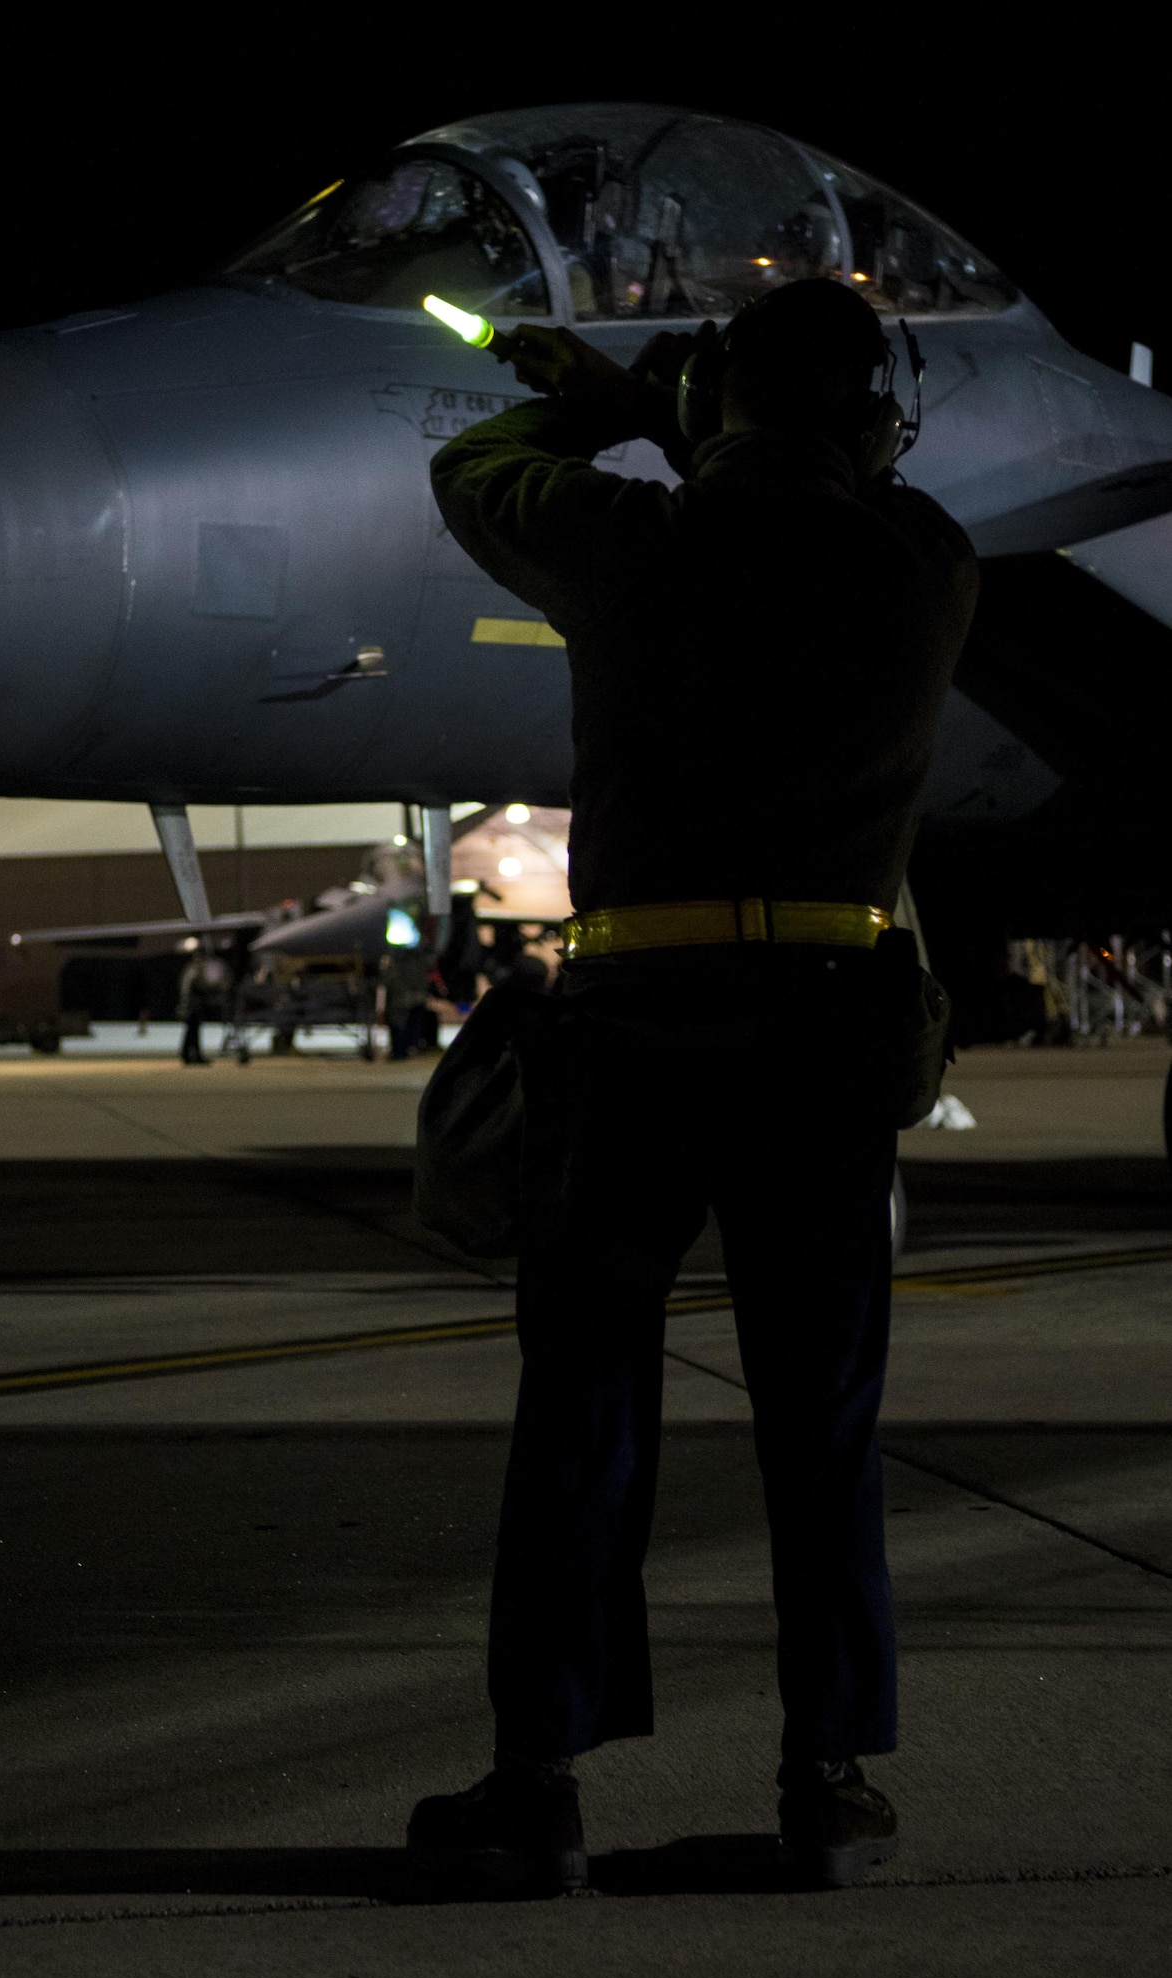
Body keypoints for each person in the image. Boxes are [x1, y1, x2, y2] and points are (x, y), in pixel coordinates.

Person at [405, 280, 979, 1894]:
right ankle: (826, 1781)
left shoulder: (628, 546)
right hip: (823, 1036)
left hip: (638, 1028)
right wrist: (705, 415)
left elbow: (471, 474)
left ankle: (537, 1786)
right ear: (869, 415)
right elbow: (814, 484)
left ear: (725, 400)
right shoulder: (921, 561)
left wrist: (611, 402)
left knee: (582, 1413)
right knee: (823, 1423)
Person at [177, 945, 232, 1065]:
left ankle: (188, 1054)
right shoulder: (194, 973)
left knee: (191, 1031)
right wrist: (218, 987)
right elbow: (200, 987)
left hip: (190, 1005)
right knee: (193, 1031)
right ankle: (192, 1055)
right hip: (192, 1006)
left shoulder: (189, 972)